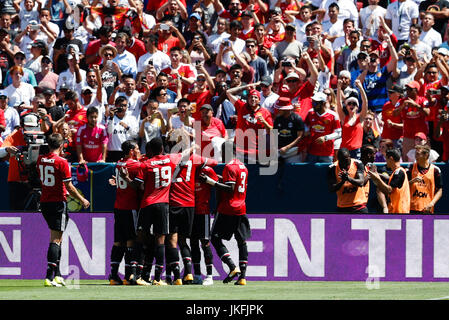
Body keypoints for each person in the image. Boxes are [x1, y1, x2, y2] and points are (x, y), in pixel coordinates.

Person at [37, 133, 90, 287]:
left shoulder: (40, 159)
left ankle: (58, 274)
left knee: (57, 239)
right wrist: (82, 199)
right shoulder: (62, 162)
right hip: (58, 202)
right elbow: (69, 186)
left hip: (45, 202)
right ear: (61, 146)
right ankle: (49, 277)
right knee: (56, 239)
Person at [201, 141, 250, 285]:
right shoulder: (243, 167)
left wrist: (211, 182)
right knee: (241, 242)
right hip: (241, 208)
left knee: (215, 238)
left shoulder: (229, 167)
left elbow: (229, 188)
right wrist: (220, 179)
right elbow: (235, 185)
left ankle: (232, 267)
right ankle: (243, 277)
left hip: (228, 208)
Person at [108, 140, 145, 286]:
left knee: (118, 241)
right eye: (136, 149)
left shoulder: (119, 163)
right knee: (131, 240)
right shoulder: (136, 165)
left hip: (118, 207)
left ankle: (113, 275)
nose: (138, 151)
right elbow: (139, 185)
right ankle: (129, 276)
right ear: (131, 151)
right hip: (130, 208)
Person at [191, 165, 218, 285]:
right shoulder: (187, 169)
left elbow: (218, 185)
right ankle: (197, 275)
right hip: (190, 211)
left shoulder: (207, 170)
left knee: (205, 243)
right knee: (193, 243)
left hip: (203, 212)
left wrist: (208, 180)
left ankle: (209, 275)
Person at [368, 148, 411, 214]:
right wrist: (378, 175)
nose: (386, 161)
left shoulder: (399, 172)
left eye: (386, 159)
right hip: (396, 210)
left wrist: (377, 179)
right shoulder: (397, 172)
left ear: (391, 159)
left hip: (399, 211)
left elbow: (389, 190)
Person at [328, 148, 368, 213]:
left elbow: (361, 182)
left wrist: (348, 178)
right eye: (342, 160)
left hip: (358, 206)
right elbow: (331, 188)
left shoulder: (357, 164)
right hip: (342, 207)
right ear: (338, 159)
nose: (344, 163)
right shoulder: (332, 168)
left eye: (346, 160)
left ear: (349, 156)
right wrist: (342, 182)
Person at [407, 144, 443, 213]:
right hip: (412, 208)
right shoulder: (411, 168)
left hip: (427, 209)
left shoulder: (435, 170)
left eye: (418, 154)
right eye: (415, 154)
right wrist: (412, 181)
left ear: (426, 155)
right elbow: (404, 186)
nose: (415, 156)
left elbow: (440, 190)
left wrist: (431, 204)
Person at [273, 97, 305, 163]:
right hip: (280, 150)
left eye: (280, 108)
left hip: (293, 151)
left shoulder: (297, 119)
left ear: (286, 109)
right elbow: (274, 134)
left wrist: (287, 147)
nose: (278, 110)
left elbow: (300, 137)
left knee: (293, 171)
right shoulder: (277, 119)